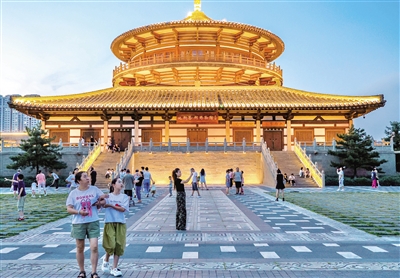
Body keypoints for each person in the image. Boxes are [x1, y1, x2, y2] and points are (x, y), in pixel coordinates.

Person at [66, 171, 107, 278]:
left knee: (94, 247)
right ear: (79, 181)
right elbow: (69, 209)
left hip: (93, 221)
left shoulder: (94, 189)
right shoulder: (73, 193)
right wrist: (79, 212)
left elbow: (104, 201)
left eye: (87, 176)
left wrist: (100, 203)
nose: (88, 178)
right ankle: (82, 271)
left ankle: (94, 272)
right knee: (80, 248)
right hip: (79, 223)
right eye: (85, 177)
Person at [101, 178, 129, 277]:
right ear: (113, 185)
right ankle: (106, 259)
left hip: (120, 222)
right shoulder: (108, 196)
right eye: (119, 182)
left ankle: (114, 268)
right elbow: (102, 204)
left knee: (118, 245)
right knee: (110, 244)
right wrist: (102, 199)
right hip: (109, 222)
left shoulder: (124, 197)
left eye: (122, 182)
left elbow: (122, 209)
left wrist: (111, 205)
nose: (121, 184)